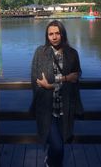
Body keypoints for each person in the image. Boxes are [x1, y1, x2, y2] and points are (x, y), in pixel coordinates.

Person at [30, 20, 82, 167]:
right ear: (47, 36)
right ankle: (49, 162)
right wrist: (64, 79)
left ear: (62, 34)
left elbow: (76, 77)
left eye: (57, 33)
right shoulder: (40, 52)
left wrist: (50, 85)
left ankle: (51, 163)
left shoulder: (72, 54)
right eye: (50, 34)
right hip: (47, 109)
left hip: (65, 108)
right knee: (58, 147)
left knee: (61, 146)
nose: (54, 37)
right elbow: (36, 80)